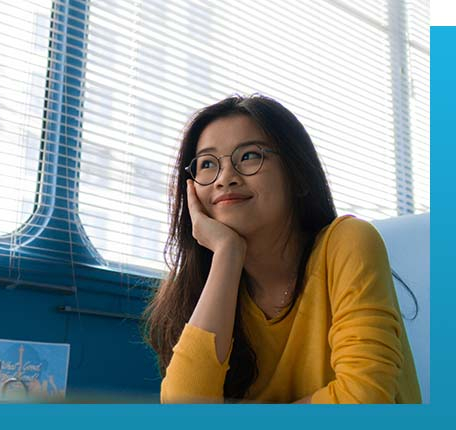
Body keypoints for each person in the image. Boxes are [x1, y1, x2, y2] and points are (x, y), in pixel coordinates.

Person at [143, 95, 421, 403]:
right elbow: (185, 410)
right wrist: (227, 253)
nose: (225, 179)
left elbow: (365, 400)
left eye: (249, 156)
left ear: (297, 175)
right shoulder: (206, 286)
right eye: (208, 164)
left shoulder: (349, 240)